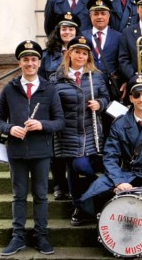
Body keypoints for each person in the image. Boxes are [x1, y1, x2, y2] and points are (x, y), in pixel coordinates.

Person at [0, 40, 65, 256]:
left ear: (39, 63)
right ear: (20, 62)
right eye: (26, 59)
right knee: (19, 196)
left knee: (41, 195)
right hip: (16, 151)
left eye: (34, 59)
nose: (30, 63)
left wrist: (42, 124)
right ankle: (18, 237)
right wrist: (10, 128)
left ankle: (41, 236)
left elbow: (60, 121)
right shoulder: (9, 89)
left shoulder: (49, 89)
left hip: (41, 151)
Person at [78, 74, 142, 216]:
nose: (141, 99)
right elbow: (110, 156)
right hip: (127, 173)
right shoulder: (119, 123)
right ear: (131, 98)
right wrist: (119, 181)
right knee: (95, 193)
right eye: (136, 94)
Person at [51, 36, 110, 226]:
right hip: (67, 131)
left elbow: (106, 98)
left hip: (89, 130)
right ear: (69, 53)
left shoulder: (96, 76)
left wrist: (99, 104)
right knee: (72, 169)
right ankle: (79, 207)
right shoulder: (57, 77)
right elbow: (50, 104)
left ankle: (99, 194)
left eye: (84, 53)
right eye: (77, 52)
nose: (81, 56)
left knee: (81, 166)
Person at [41, 11, 81, 202]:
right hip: (53, 107)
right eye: (64, 28)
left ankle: (74, 184)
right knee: (55, 149)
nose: (67, 32)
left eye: (71, 29)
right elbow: (41, 80)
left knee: (72, 148)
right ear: (58, 31)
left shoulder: (82, 52)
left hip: (74, 107)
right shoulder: (47, 55)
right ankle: (59, 184)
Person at [81, 0, 123, 102]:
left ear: (109, 16)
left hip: (112, 87)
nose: (99, 17)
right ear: (90, 16)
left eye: (103, 13)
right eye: (96, 14)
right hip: (89, 87)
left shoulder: (119, 37)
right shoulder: (82, 37)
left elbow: (123, 61)